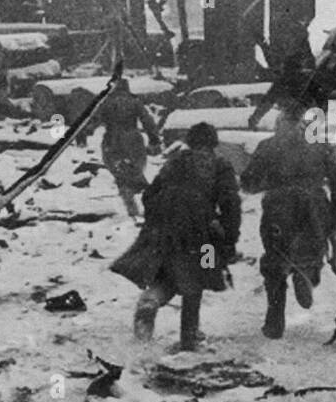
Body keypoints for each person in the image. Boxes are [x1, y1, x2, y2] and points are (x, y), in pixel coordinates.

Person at [110, 122, 241, 351]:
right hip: (203, 238)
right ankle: (189, 338)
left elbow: (150, 195)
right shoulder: (220, 165)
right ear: (213, 143)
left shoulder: (175, 162)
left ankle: (150, 301)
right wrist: (228, 238)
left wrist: (158, 223)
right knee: (199, 277)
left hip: (163, 233)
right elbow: (231, 204)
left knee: (167, 273)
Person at [240, 108, 336, 340]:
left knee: (276, 258)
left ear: (279, 124)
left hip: (279, 209)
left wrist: (267, 182)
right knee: (312, 249)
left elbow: (248, 182)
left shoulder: (267, 146)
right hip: (315, 208)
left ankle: (274, 320)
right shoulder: (321, 145)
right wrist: (335, 215)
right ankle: (308, 274)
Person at [97, 83, 161, 217]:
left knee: (120, 174)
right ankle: (151, 203)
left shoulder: (105, 102)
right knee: (136, 170)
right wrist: (153, 138)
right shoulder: (134, 102)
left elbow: (93, 119)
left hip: (111, 140)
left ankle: (132, 207)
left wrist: (82, 135)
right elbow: (147, 120)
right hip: (133, 140)